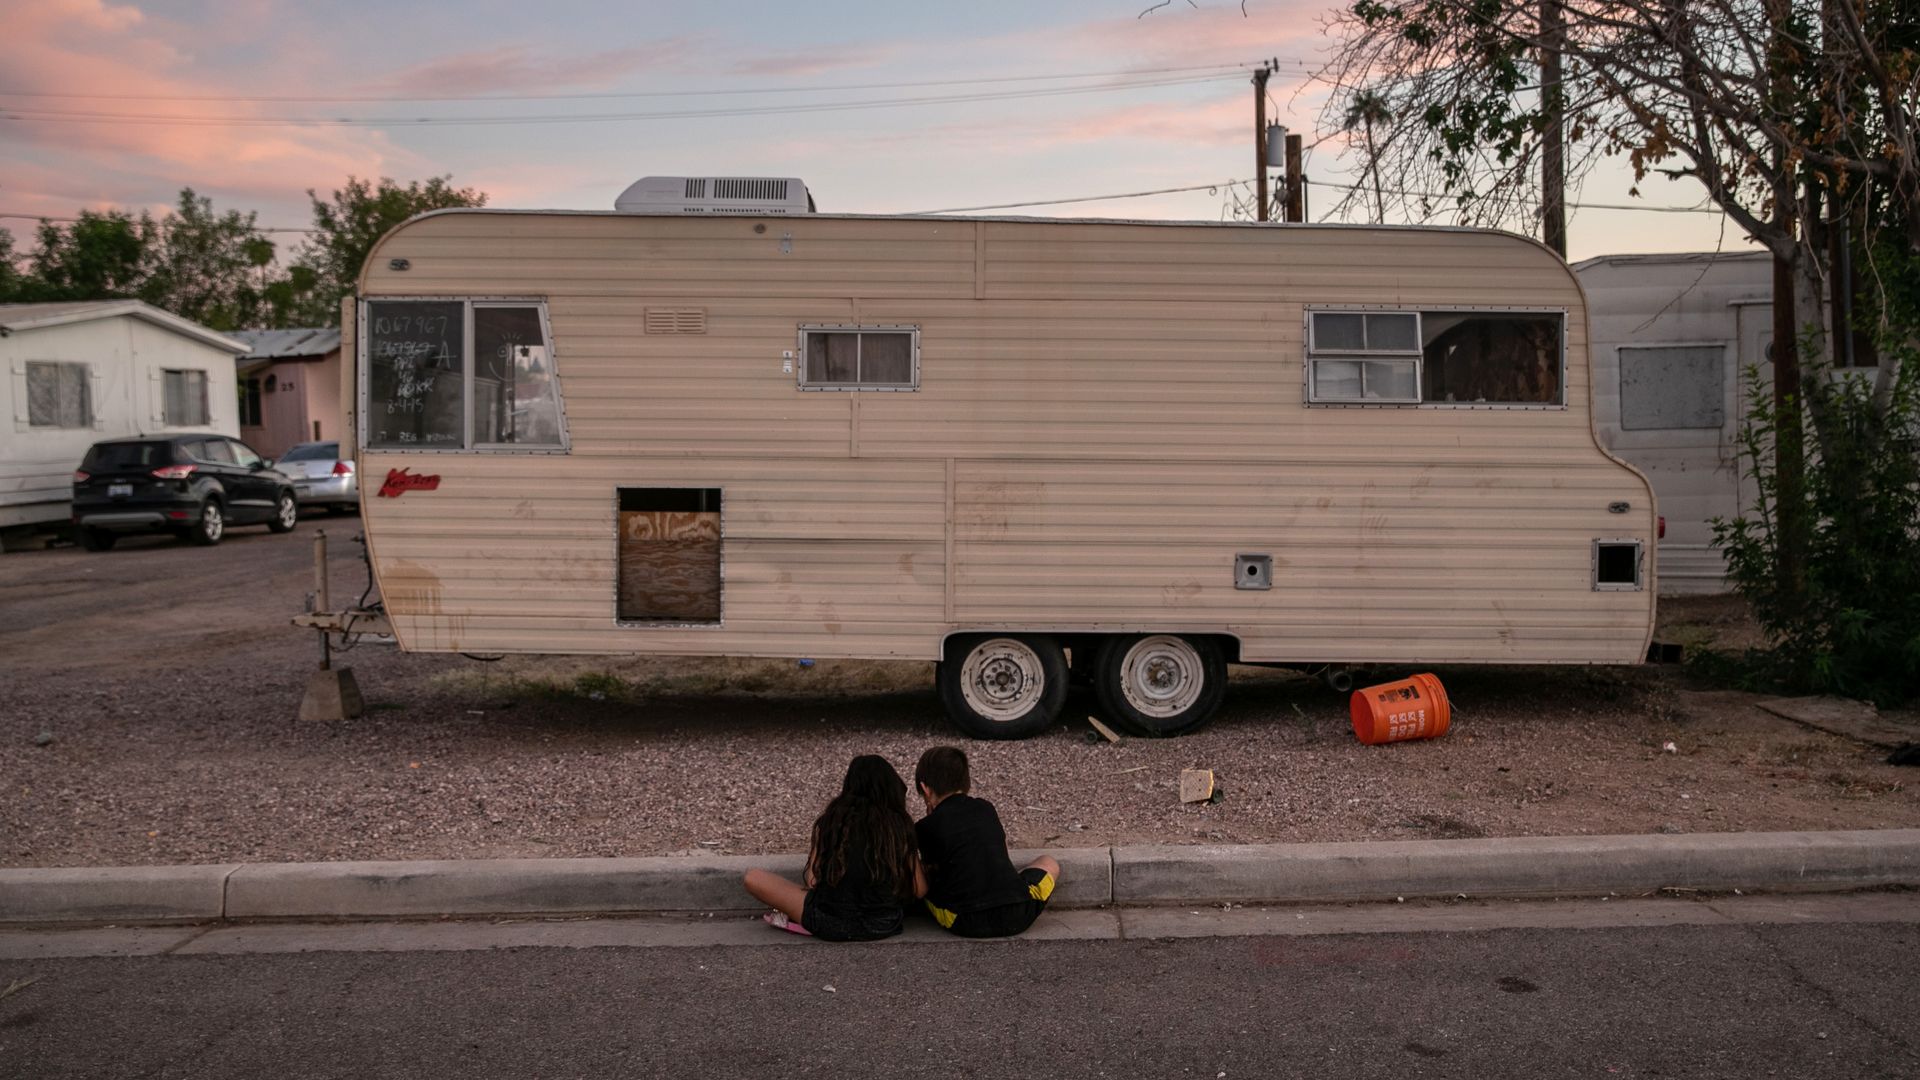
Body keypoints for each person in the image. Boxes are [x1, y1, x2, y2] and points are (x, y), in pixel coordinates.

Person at [742, 755, 926, 941]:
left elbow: (812, 881)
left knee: (753, 877)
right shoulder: (899, 825)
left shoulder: (832, 821)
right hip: (883, 924)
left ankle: (796, 917)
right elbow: (920, 889)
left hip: (827, 922)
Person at [913, 745, 1060, 938]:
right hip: (1017, 913)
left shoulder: (925, 826)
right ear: (965, 782)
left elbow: (928, 875)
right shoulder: (986, 808)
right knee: (1049, 862)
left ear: (926, 789)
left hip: (966, 920)